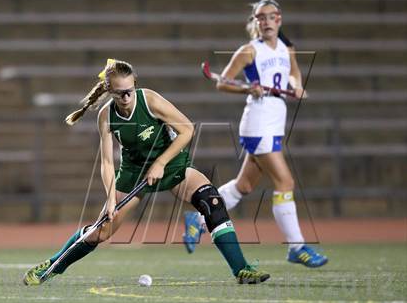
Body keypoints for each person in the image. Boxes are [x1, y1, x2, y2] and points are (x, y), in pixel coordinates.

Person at [22, 59, 270, 286]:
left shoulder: (150, 100)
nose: (126, 97)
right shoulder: (106, 116)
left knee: (212, 201)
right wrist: (110, 199)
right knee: (102, 231)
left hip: (171, 163)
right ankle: (53, 265)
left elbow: (187, 130)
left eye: (129, 90)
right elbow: (107, 163)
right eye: (119, 93)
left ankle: (241, 270)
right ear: (109, 90)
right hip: (133, 173)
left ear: (135, 85)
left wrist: (161, 162)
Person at [183, 0, 327, 268]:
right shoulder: (249, 51)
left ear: (279, 19)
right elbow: (223, 83)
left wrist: (296, 86)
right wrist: (248, 88)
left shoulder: (288, 49)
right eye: (260, 18)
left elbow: (294, 75)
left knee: (244, 186)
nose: (266, 21)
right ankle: (297, 246)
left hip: (275, 120)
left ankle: (199, 220)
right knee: (285, 182)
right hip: (258, 122)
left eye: (270, 16)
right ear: (256, 22)